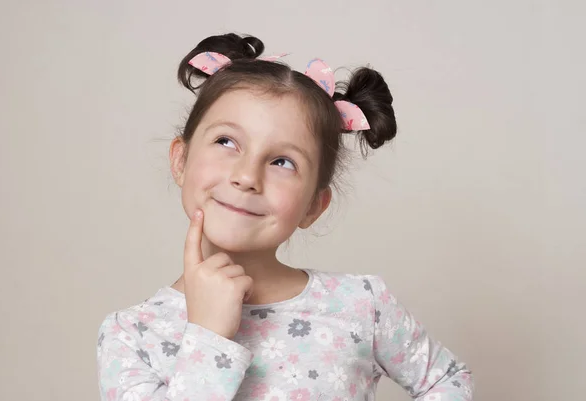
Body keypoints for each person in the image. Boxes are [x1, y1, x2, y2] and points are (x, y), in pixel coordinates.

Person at [96, 33, 474, 401]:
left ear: (313, 205)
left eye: (282, 162)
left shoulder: (360, 305)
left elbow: (445, 379)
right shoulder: (131, 335)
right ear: (181, 160)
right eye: (226, 141)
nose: (246, 176)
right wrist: (208, 335)